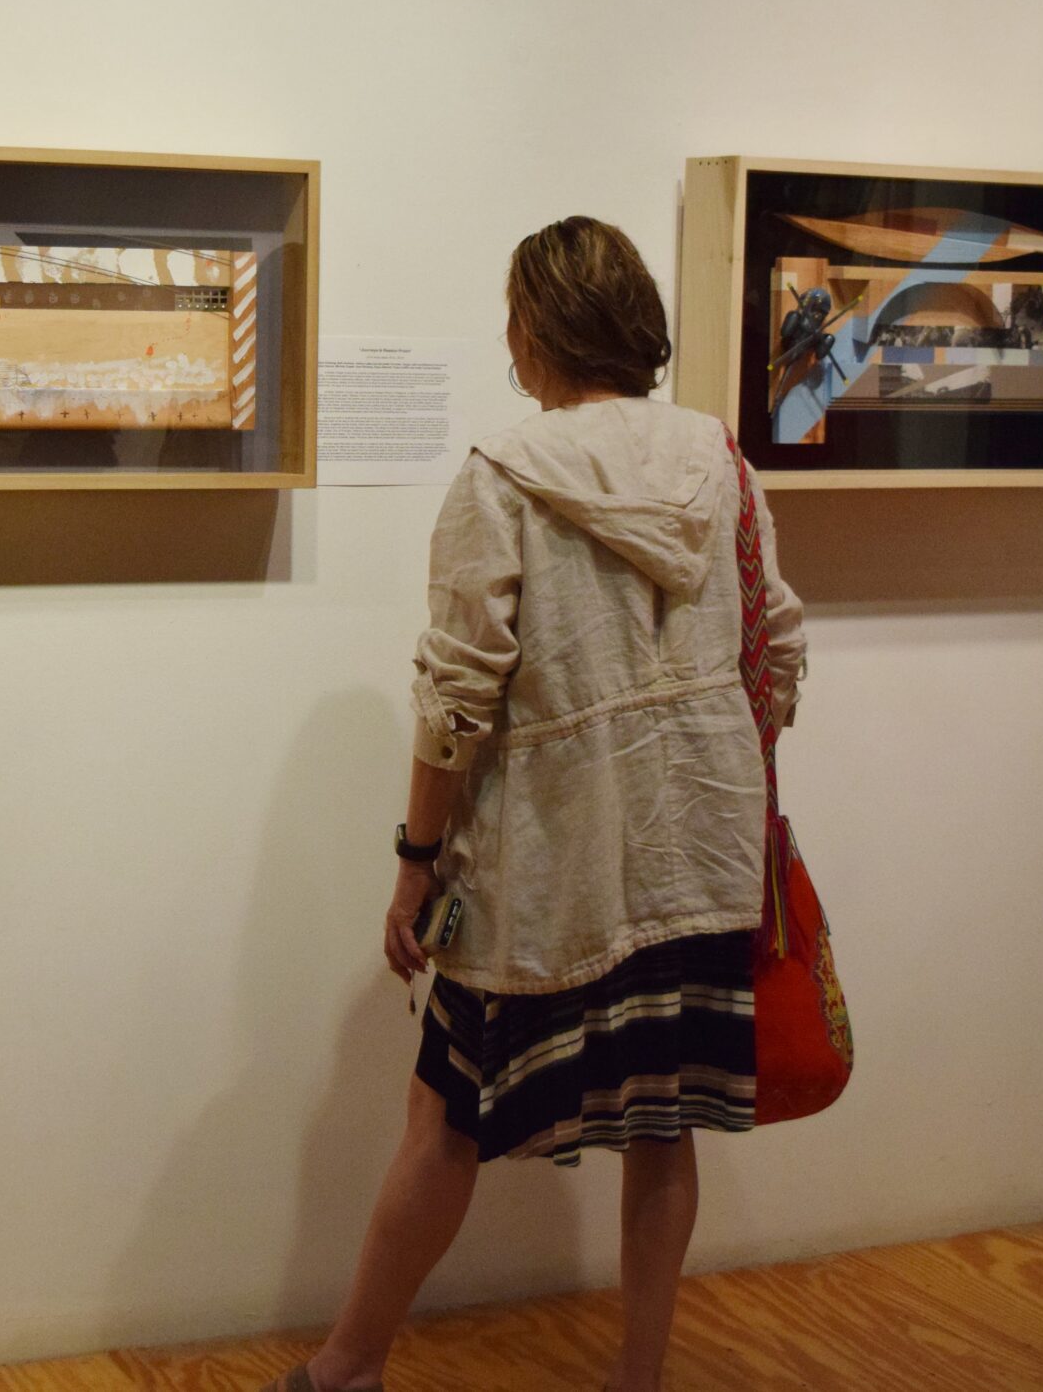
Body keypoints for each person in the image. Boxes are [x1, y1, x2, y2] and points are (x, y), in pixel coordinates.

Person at [263, 218, 807, 1392]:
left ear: (536, 326)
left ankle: (349, 1363)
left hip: (548, 864)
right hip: (699, 851)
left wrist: (416, 856)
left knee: (443, 1113)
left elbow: (455, 698)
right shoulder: (720, 459)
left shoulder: (503, 476)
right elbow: (781, 650)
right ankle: (638, 1379)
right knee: (663, 1122)